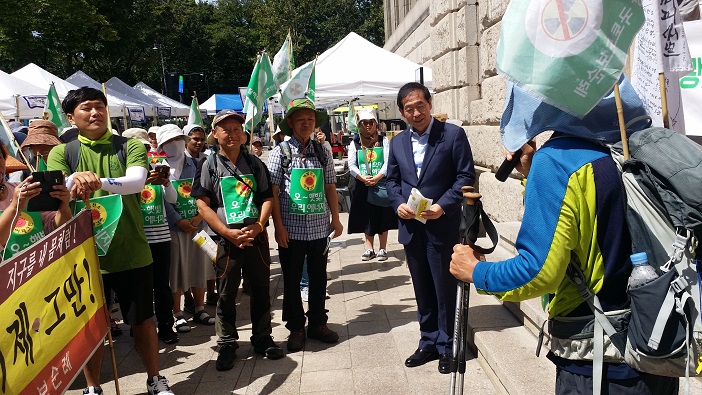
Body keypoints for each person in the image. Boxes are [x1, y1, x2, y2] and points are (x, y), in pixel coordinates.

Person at [449, 81, 678, 394]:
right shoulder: (636, 142)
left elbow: (538, 272)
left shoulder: (557, 161)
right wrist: (533, 172)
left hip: (598, 363)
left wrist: (476, 271)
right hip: (660, 342)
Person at [47, 86, 175, 395]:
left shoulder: (130, 145)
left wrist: (96, 181)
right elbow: (57, 191)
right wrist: (72, 180)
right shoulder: (61, 152)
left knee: (143, 319)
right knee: (90, 326)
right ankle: (93, 387)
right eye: (86, 108)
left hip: (131, 250)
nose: (94, 112)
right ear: (70, 117)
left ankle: (155, 379)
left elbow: (135, 182)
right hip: (85, 255)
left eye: (99, 106)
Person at [385, 82, 475, 374]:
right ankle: (428, 341)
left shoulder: (452, 135)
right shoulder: (398, 142)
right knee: (422, 287)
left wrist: (443, 205)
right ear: (402, 112)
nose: (415, 112)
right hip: (412, 227)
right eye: (408, 108)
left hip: (441, 225)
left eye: (420, 105)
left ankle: (448, 345)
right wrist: (397, 202)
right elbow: (392, 181)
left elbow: (465, 176)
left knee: (443, 287)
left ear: (430, 104)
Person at [192, 109, 284, 371]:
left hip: (255, 237)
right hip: (225, 241)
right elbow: (202, 204)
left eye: (237, 130)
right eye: (225, 129)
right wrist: (226, 232)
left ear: (244, 134)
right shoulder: (208, 165)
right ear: (215, 133)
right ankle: (227, 343)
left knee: (261, 290)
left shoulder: (256, 164)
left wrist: (258, 225)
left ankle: (263, 338)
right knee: (226, 293)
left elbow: (267, 197)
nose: (232, 134)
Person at [268, 98, 343, 352]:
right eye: (300, 119)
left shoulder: (323, 151)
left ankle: (318, 323)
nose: (306, 123)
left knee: (319, 277)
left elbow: (330, 185)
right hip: (291, 230)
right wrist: (278, 227)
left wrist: (336, 217)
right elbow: (274, 191)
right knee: (290, 280)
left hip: (320, 229)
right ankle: (296, 328)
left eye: (310, 119)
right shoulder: (281, 151)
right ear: (290, 123)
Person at [123, 127, 179, 344]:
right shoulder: (125, 175)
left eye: (146, 148)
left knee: (162, 284)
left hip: (161, 237)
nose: (143, 154)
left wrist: (165, 183)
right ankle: (138, 326)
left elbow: (173, 200)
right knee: (138, 287)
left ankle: (166, 324)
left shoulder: (158, 167)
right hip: (136, 237)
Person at [158, 124, 215, 333]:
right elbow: (159, 200)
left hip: (199, 225)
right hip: (172, 228)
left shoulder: (199, 163)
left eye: (178, 140)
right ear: (163, 145)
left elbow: (207, 192)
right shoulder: (158, 168)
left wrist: (198, 216)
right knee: (176, 270)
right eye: (169, 142)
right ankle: (178, 313)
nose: (175, 145)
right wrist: (178, 220)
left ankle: (200, 308)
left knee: (200, 265)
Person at [0, 141, 71, 254]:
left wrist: (63, 205)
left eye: (0, 157)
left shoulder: (23, 190)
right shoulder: (20, 195)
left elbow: (55, 229)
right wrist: (15, 207)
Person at [347, 108, 397, 261]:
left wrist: (377, 177)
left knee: (382, 216)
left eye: (371, 122)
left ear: (376, 124)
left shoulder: (384, 141)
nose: (368, 126)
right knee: (367, 216)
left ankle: (383, 248)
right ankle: (369, 248)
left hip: (380, 183)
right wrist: (363, 178)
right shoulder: (355, 143)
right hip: (363, 185)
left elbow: (388, 162)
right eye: (364, 123)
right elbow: (351, 165)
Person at [184, 124, 218, 306]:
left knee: (209, 257)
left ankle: (211, 293)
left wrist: (202, 216)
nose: (198, 142)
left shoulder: (208, 160)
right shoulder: (178, 162)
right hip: (185, 221)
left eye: (201, 138)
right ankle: (188, 298)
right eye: (194, 138)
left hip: (206, 218)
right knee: (188, 262)